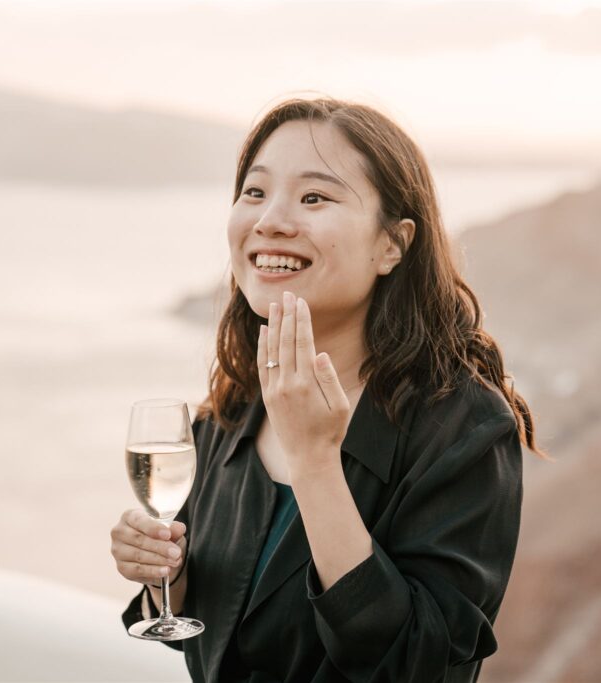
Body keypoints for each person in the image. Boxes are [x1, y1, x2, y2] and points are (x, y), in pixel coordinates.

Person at [111, 96, 549, 683]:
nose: (271, 220)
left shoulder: (463, 427)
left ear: (391, 244)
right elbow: (227, 635)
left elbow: (416, 664)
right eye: (255, 192)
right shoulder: (232, 409)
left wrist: (315, 462)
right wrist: (168, 578)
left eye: (314, 197)